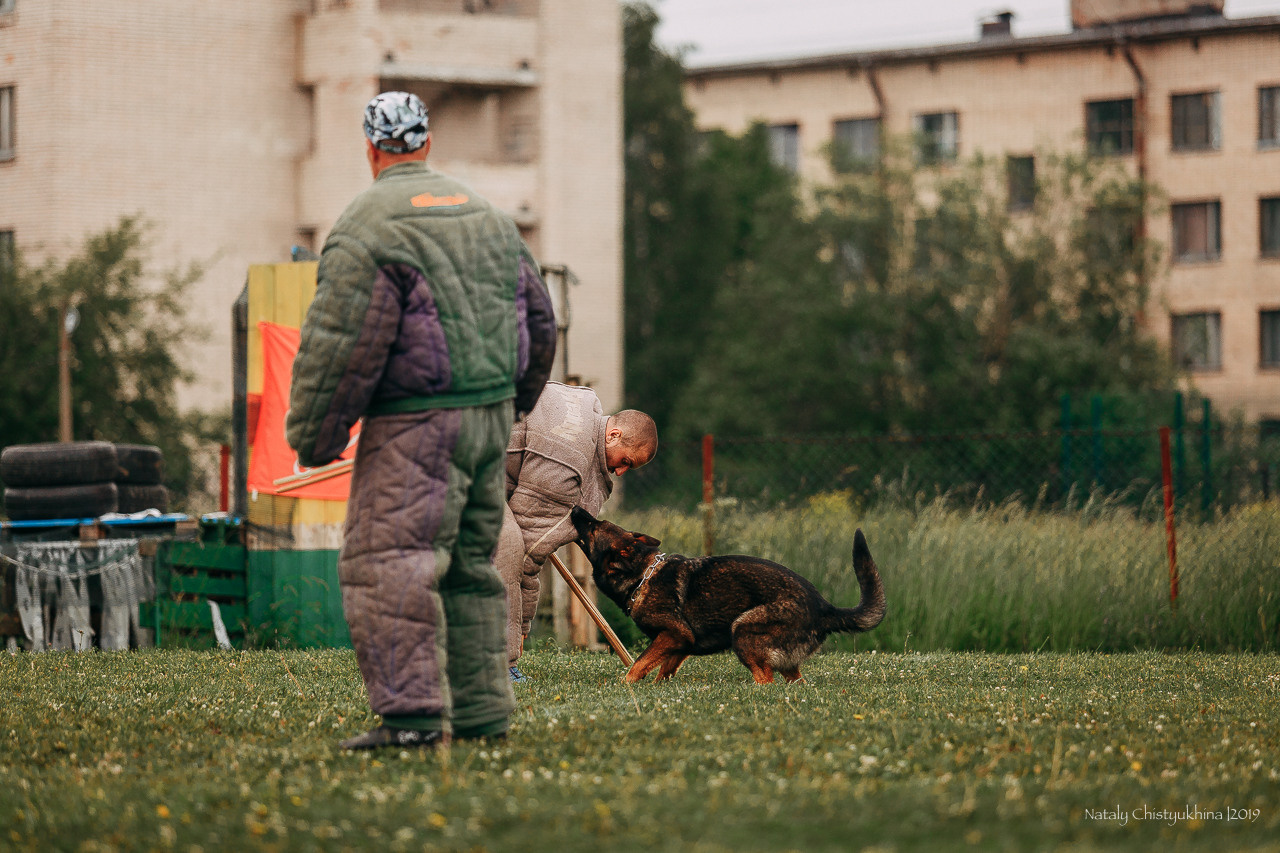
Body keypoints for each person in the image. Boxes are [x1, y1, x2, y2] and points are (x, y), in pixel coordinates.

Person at [286, 91, 557, 750]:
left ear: (372, 148)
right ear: (427, 143)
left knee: (390, 561)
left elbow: (344, 343)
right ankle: (484, 715)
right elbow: (541, 319)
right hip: (490, 416)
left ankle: (410, 718)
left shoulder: (368, 223)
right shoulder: (490, 217)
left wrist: (314, 435)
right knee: (471, 566)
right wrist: (513, 403)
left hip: (416, 424)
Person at [497, 381, 657, 680]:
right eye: (625, 461)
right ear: (613, 434)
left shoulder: (585, 402)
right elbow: (527, 559)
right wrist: (519, 632)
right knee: (506, 548)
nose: (620, 472)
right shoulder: (566, 461)